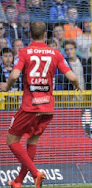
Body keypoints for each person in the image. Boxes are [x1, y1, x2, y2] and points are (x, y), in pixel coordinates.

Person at [0, 21, 80, 188]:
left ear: (30, 34)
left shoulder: (24, 52)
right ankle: (18, 182)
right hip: (47, 107)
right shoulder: (55, 53)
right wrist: (77, 85)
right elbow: (72, 77)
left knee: (11, 140)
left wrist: (6, 87)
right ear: (45, 35)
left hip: (30, 106)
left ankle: (36, 173)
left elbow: (14, 74)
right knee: (32, 141)